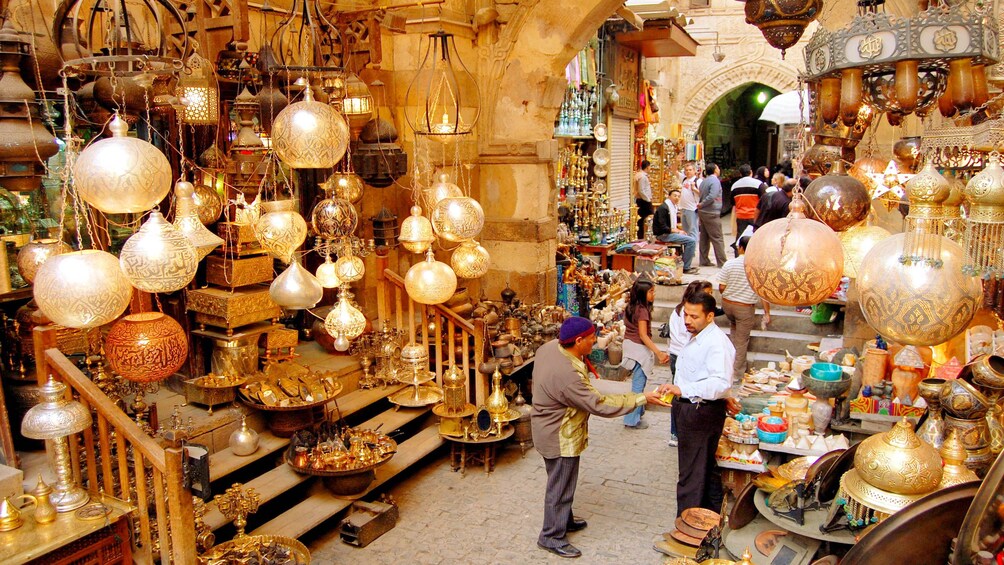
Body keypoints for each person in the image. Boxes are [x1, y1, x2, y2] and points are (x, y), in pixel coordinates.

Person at [533, 316, 669, 558]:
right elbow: (600, 404)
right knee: (560, 484)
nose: (595, 341)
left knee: (562, 480)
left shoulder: (549, 348)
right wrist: (641, 398)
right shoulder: (568, 375)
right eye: (591, 338)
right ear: (577, 341)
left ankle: (564, 519)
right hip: (559, 435)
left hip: (546, 427)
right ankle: (551, 536)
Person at [657, 292, 736, 516]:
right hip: (693, 409)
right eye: (686, 315)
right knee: (703, 470)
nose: (687, 321)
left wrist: (684, 389)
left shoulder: (715, 343)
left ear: (710, 316)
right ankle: (709, 520)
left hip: (700, 412)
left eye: (694, 316)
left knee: (691, 475)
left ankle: (686, 525)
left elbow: (720, 383)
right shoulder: (699, 336)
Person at [666, 279, 716, 447]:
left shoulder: (713, 335)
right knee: (680, 394)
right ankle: (676, 432)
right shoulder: (681, 313)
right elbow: (681, 338)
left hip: (687, 356)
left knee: (686, 393)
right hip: (679, 356)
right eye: (706, 294)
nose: (688, 320)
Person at [620, 279, 671, 429]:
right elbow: (643, 335)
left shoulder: (632, 307)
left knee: (637, 383)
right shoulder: (642, 311)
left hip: (630, 345)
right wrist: (658, 353)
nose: (653, 294)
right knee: (638, 386)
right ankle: (631, 419)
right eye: (651, 291)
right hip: (638, 350)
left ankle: (639, 412)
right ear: (643, 294)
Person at [718, 235, 770, 380]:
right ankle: (736, 374)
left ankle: (728, 366)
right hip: (744, 308)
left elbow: (722, 286)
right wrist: (767, 312)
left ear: (740, 247)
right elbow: (763, 292)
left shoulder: (729, 264)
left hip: (728, 305)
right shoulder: (756, 267)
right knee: (741, 342)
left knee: (734, 334)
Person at [652, 188, 699, 274]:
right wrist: (676, 231)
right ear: (669, 196)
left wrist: (678, 230)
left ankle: (683, 263)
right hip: (663, 235)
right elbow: (663, 227)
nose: (676, 198)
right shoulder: (664, 208)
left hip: (668, 233)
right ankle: (685, 267)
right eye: (674, 196)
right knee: (691, 241)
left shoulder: (673, 207)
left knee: (688, 237)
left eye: (678, 196)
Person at [729, 164, 764, 256]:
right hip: (755, 215)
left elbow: (732, 202)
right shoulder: (758, 184)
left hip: (741, 216)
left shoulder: (734, 186)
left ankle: (738, 257)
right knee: (756, 237)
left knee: (740, 237)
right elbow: (764, 199)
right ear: (751, 172)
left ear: (740, 174)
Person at [697, 163, 727, 267]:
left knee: (704, 237)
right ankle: (722, 262)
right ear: (715, 170)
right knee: (717, 237)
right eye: (718, 168)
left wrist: (701, 204)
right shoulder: (715, 181)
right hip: (711, 212)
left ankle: (704, 259)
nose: (719, 169)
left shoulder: (704, 181)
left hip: (704, 212)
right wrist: (703, 203)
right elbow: (712, 196)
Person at [679, 163, 700, 240]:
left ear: (694, 171)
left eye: (690, 170)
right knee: (685, 230)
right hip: (683, 207)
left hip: (692, 209)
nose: (688, 172)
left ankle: (693, 248)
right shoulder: (684, 179)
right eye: (686, 170)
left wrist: (694, 189)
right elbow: (674, 171)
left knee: (693, 229)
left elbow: (703, 194)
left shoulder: (698, 181)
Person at [635, 160, 654, 240]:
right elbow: (641, 190)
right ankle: (641, 236)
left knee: (642, 219)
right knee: (645, 218)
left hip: (643, 200)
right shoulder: (642, 177)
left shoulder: (641, 175)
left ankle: (642, 235)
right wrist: (648, 200)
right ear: (647, 167)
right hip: (643, 201)